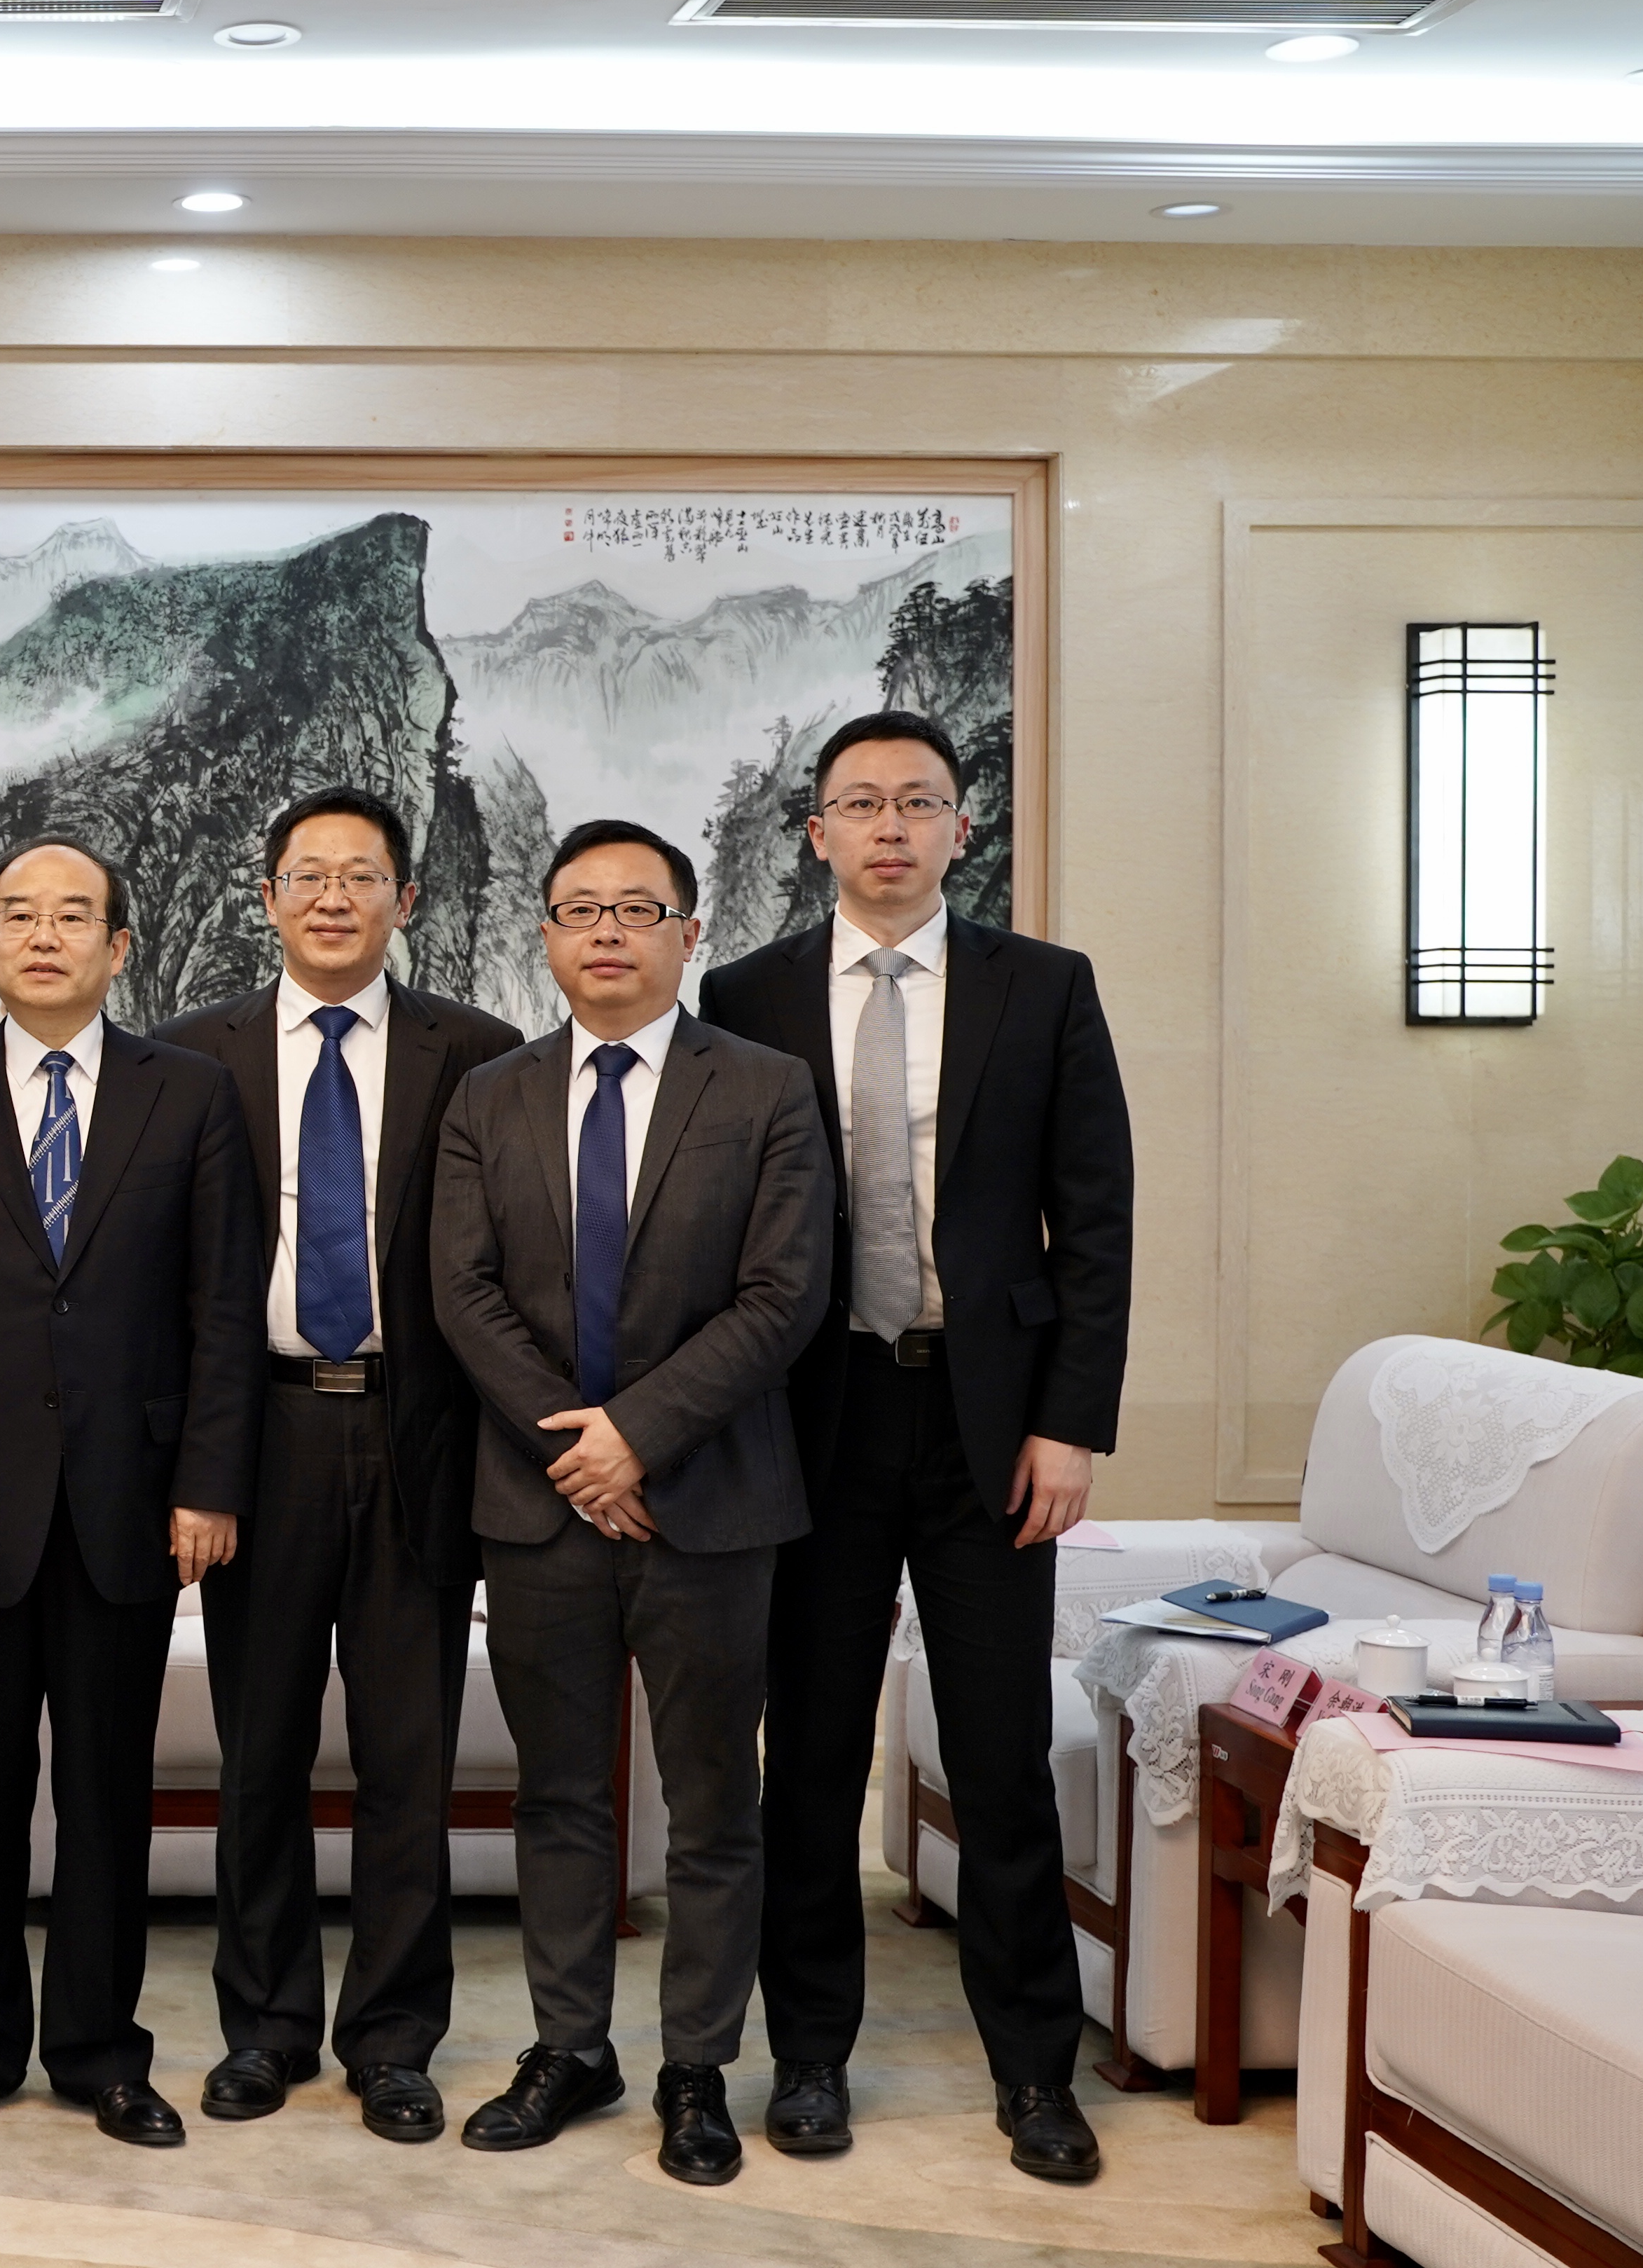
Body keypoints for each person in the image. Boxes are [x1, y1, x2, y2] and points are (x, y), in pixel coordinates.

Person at [702, 712, 1133, 2185]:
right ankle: (811, 2058)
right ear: (816, 831)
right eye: (861, 803)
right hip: (812, 1416)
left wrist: (1070, 1421)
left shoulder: (1044, 986)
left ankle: (1036, 2070)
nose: (890, 826)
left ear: (963, 825)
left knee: (1002, 1757)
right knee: (812, 1756)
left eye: (918, 802)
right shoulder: (746, 993)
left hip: (988, 1422)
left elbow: (1097, 1219)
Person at [430, 818, 828, 2187]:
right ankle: (570, 2047)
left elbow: (783, 1293)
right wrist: (579, 1452)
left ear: (688, 933)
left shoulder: (766, 1088)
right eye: (581, 908)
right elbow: (463, 1291)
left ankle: (695, 2069)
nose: (607, 930)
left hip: (710, 1505)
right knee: (558, 1798)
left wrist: (639, 1440)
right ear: (546, 934)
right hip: (541, 1506)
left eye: (637, 908)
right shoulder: (490, 1095)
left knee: (713, 1806)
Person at [0, 835, 256, 2151]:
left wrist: (209, 1482)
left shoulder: (190, 1096)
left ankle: (99, 2054)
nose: (43, 936)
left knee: (104, 1796)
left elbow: (219, 1311)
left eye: (73, 916)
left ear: (117, 946)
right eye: (18, 915)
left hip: (128, 1500)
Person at [160, 785, 523, 2140]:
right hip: (256, 1435)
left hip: (414, 1432)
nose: (332, 898)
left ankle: (393, 2039)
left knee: (405, 1761)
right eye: (306, 875)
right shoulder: (192, 1056)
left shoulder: (475, 1053)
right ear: (267, 898)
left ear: (403, 900)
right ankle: (263, 2030)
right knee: (258, 1752)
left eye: (360, 876)